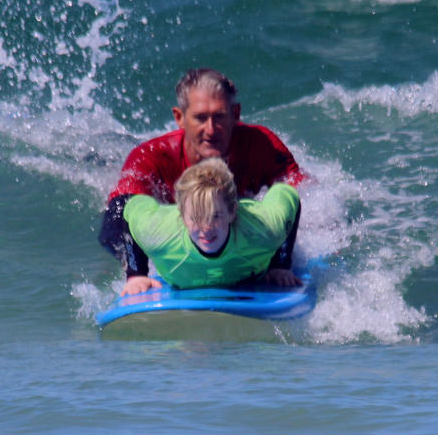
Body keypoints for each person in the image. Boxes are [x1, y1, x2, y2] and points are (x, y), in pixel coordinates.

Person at [99, 68, 305, 294]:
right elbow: (119, 217)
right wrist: (138, 271)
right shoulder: (150, 157)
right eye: (200, 118)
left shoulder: (262, 145)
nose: (210, 130)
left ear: (235, 114)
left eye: (219, 117)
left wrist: (279, 261)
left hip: (239, 224)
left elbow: (301, 194)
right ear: (179, 118)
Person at [123, 158, 302, 291]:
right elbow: (130, 207)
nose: (206, 229)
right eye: (196, 218)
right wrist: (136, 274)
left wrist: (280, 264)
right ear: (183, 217)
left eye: (215, 216)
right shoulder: (157, 234)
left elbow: (286, 192)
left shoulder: (266, 229)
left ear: (232, 212)